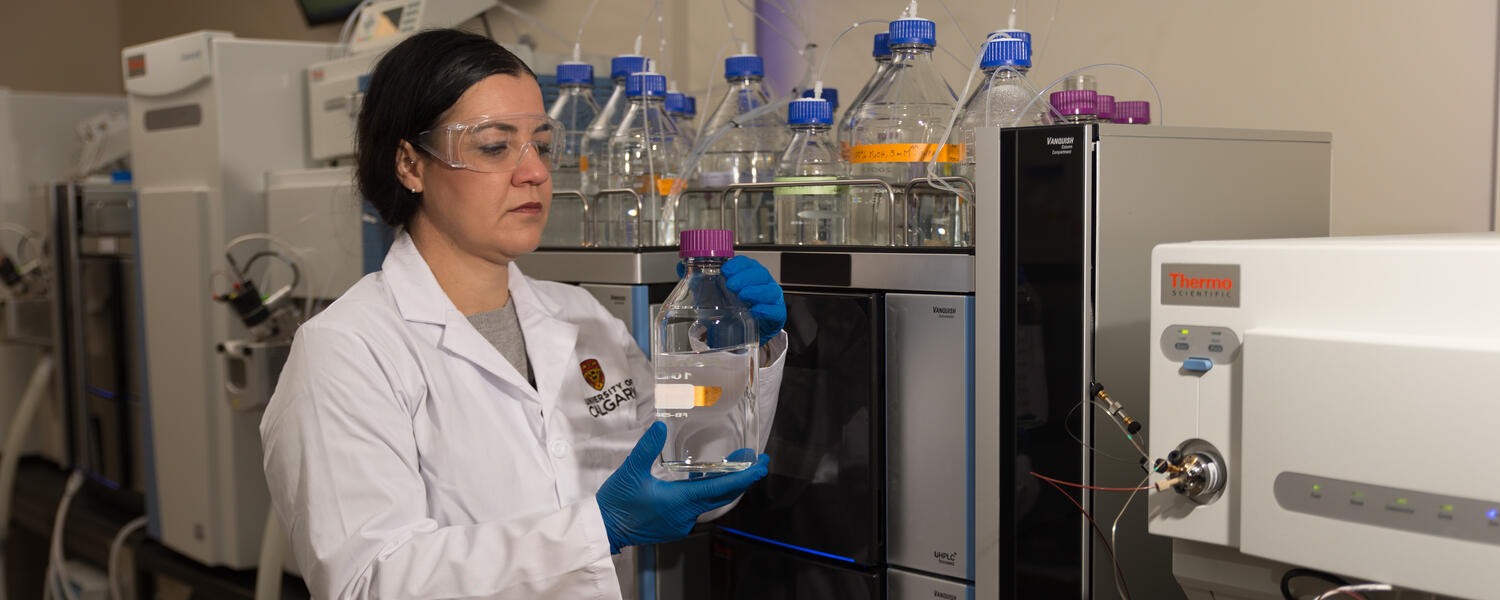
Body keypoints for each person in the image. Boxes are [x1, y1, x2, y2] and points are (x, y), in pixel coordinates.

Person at [259, 29, 788, 599]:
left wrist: (732, 357)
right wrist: (598, 530)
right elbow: (367, 582)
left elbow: (683, 476)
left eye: (541, 144)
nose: (533, 171)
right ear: (410, 165)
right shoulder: (346, 350)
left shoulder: (583, 317)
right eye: (494, 146)